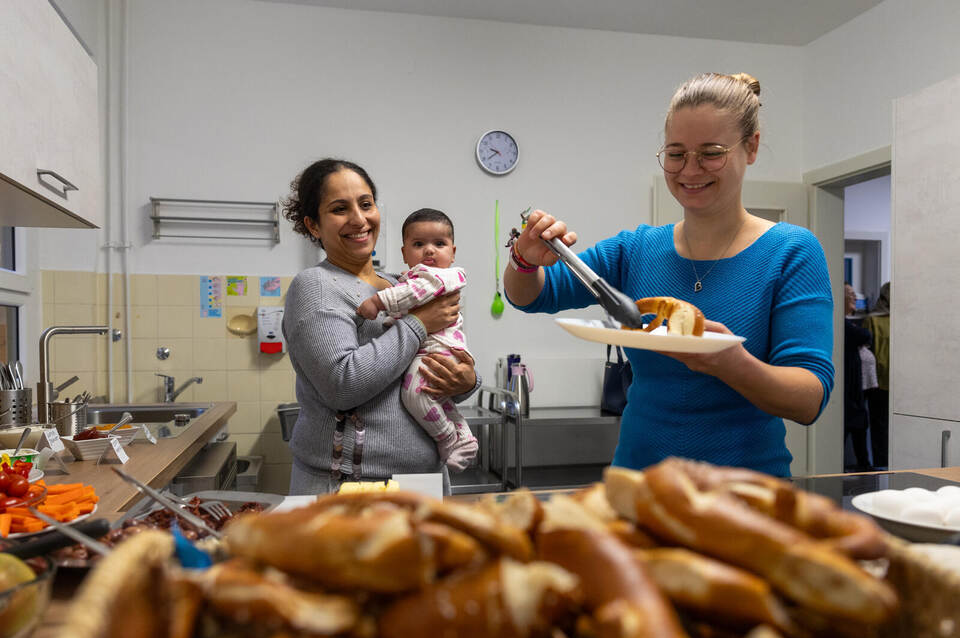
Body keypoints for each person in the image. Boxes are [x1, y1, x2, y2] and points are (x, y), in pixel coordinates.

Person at [504, 72, 834, 477]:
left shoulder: (791, 252)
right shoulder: (635, 249)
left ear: (752, 146)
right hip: (639, 486)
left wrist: (729, 363)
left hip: (746, 493)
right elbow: (532, 295)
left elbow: (808, 399)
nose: (690, 171)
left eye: (711, 152)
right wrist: (525, 258)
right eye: (676, 154)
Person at [281, 159, 479, 495]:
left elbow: (434, 357)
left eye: (366, 204)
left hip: (424, 481)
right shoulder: (315, 286)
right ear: (313, 225)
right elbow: (342, 384)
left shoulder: (401, 283)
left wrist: (466, 380)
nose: (359, 219)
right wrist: (418, 324)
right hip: (353, 487)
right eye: (340, 208)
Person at [357, 208, 479, 471]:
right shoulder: (408, 278)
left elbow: (413, 294)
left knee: (415, 395)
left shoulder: (439, 277)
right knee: (438, 399)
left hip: (436, 351)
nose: (429, 251)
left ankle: (447, 438)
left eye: (439, 244)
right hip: (435, 349)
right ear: (404, 253)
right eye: (419, 244)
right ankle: (464, 436)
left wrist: (379, 302)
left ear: (453, 251)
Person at [843, 284, 873, 471]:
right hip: (846, 390)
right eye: (851, 294)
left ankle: (864, 466)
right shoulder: (842, 325)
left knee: (859, 425)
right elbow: (864, 335)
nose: (855, 297)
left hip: (854, 389)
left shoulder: (846, 323)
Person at [863, 282, 890, 468]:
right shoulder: (873, 319)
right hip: (879, 382)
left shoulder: (905, 319)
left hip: (901, 384)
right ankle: (881, 465)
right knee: (879, 426)